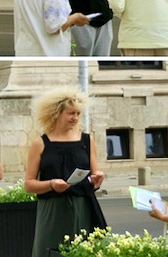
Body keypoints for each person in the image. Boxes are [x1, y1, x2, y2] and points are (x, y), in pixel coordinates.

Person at [25, 87, 106, 257]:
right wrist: (51, 184)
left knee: (83, 252)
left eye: (78, 113)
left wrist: (97, 179)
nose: (75, 118)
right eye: (71, 113)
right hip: (52, 210)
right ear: (56, 113)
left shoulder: (87, 140)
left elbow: (93, 175)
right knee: (48, 251)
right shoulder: (40, 143)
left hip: (83, 207)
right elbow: (29, 184)